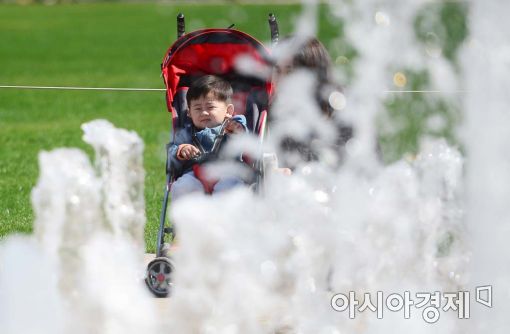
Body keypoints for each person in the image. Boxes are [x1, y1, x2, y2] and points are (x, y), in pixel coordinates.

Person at [271, 36, 353, 170]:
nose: (282, 81)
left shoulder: (342, 119)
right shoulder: (276, 119)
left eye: (290, 71)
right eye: (277, 71)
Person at [169, 75, 248, 200]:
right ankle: (190, 218)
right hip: (194, 174)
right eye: (198, 108)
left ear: (228, 111)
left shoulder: (234, 124)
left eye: (210, 107)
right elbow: (171, 156)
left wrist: (237, 131)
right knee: (183, 186)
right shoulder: (185, 132)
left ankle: (225, 218)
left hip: (228, 173)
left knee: (232, 188)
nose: (204, 112)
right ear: (189, 112)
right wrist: (181, 150)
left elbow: (246, 141)